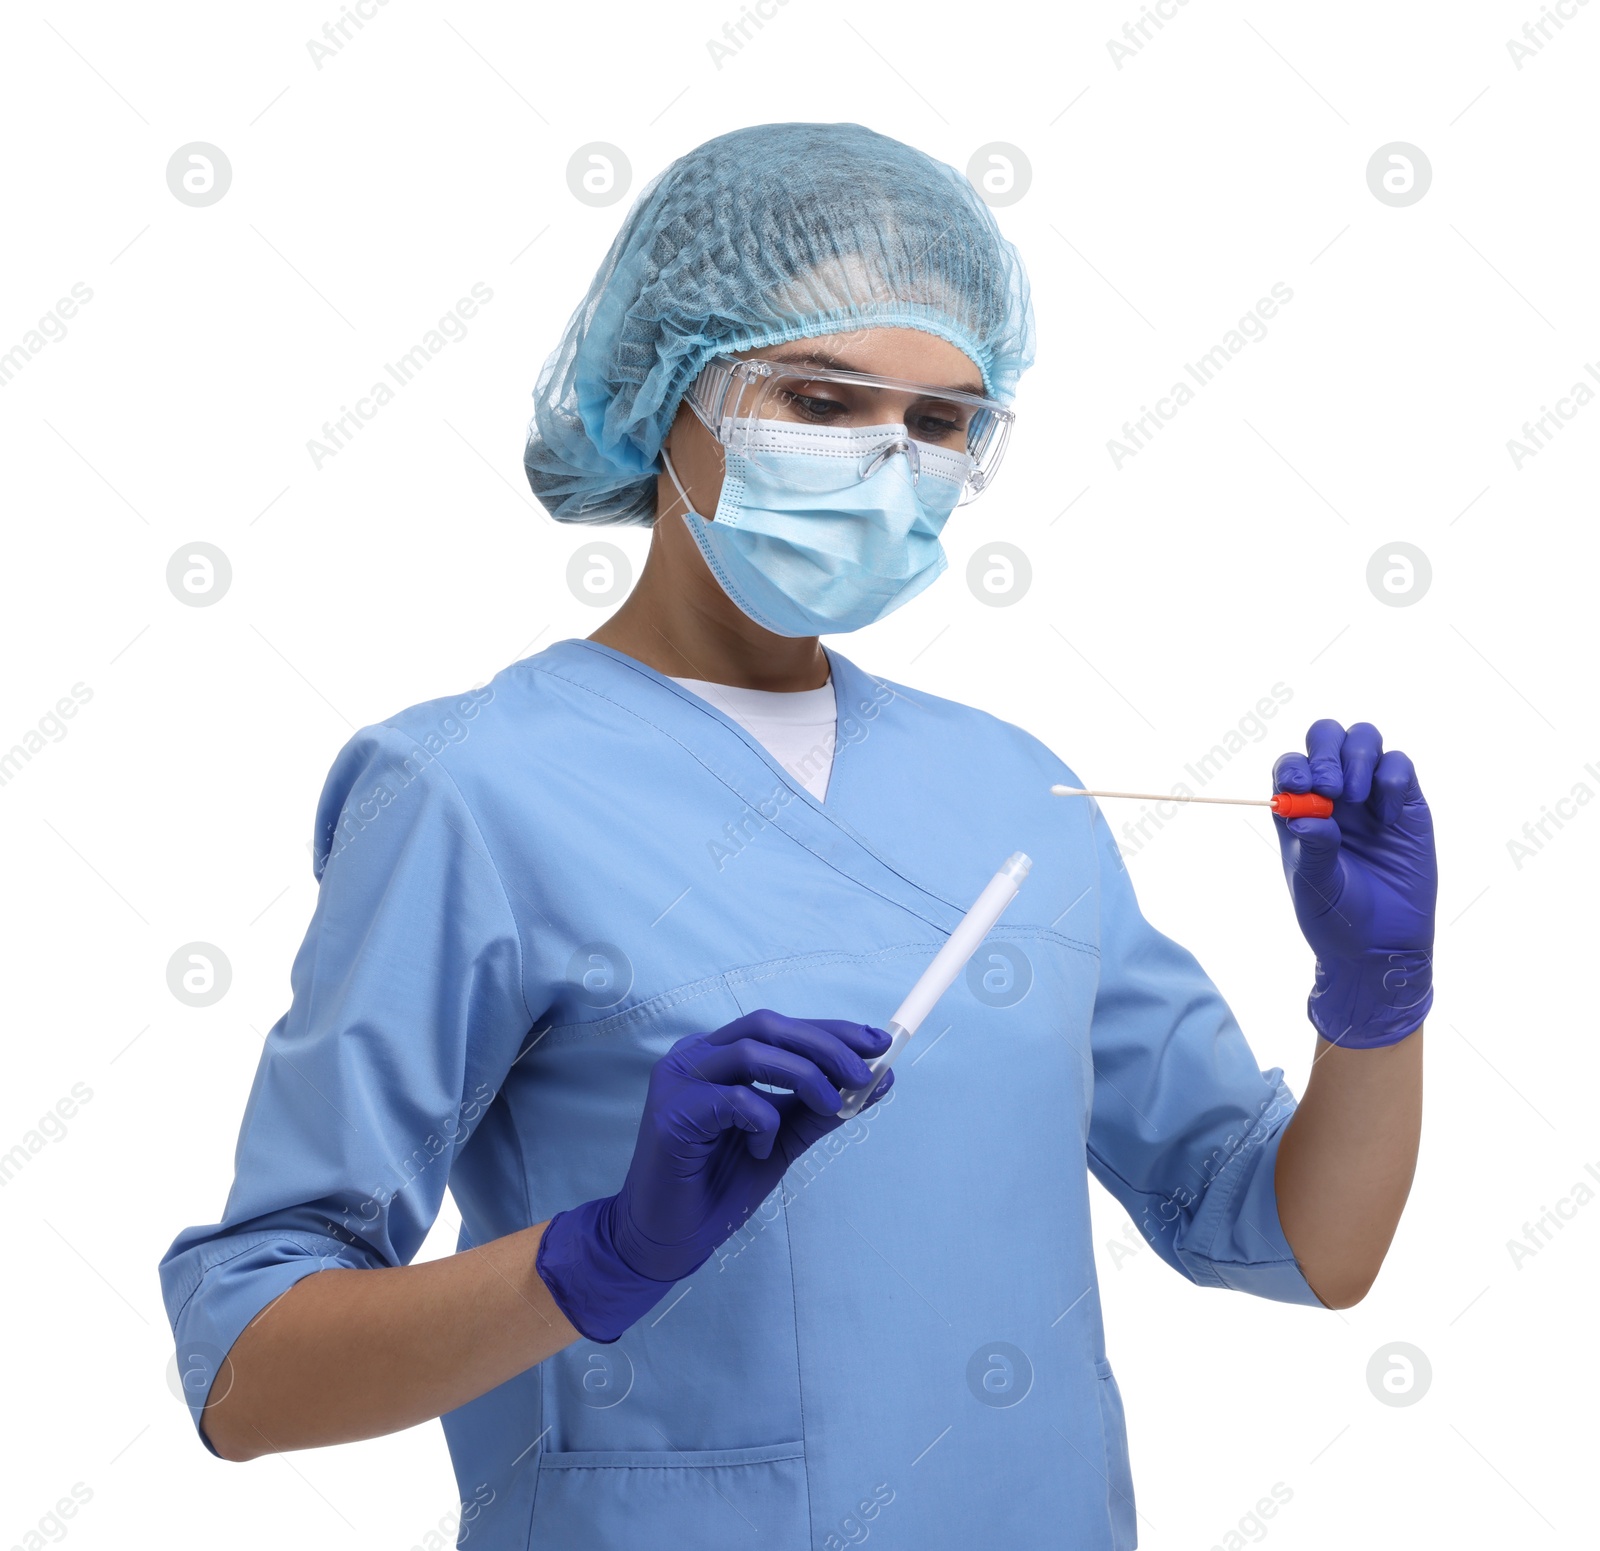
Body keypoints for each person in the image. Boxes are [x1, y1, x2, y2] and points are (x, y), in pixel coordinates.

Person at [159, 122, 1436, 1550]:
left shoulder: (1016, 796)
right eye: (822, 398)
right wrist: (602, 1260)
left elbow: (1302, 1241)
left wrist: (1373, 1007)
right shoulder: (473, 787)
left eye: (942, 421)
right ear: (663, 386)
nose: (886, 462)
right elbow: (252, 1369)